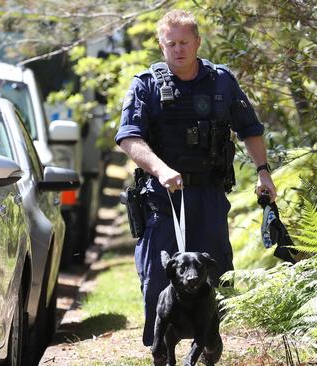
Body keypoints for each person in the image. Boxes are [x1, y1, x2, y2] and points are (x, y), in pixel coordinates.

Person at [114, 9, 277, 347]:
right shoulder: (145, 86)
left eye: (184, 42)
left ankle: (208, 343)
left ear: (197, 42)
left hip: (208, 193)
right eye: (170, 43)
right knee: (159, 275)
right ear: (162, 46)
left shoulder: (222, 82)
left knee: (215, 271)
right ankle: (161, 346)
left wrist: (263, 172)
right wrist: (160, 170)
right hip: (162, 198)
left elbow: (250, 129)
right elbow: (129, 137)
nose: (178, 49)